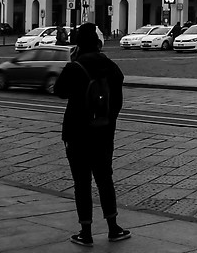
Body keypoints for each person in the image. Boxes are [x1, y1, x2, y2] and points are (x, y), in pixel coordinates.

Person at [53, 23, 129, 246]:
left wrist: (72, 62)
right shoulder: (111, 66)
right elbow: (117, 103)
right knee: (105, 179)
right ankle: (113, 228)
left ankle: (85, 232)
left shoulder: (75, 67)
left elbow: (59, 91)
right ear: (97, 43)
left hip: (77, 134)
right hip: (104, 133)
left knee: (82, 182)